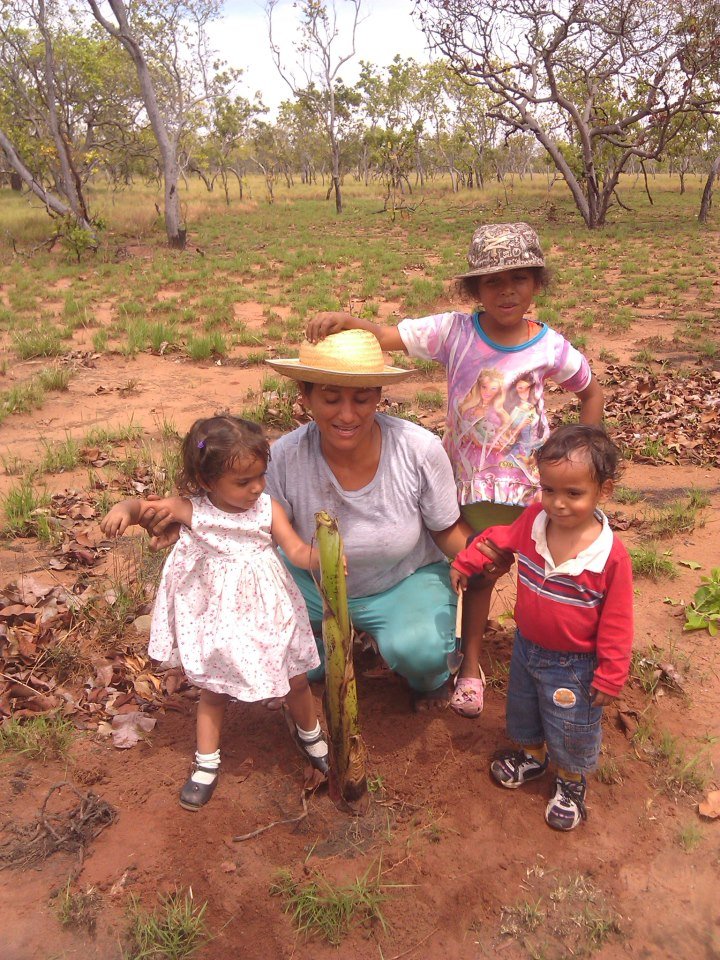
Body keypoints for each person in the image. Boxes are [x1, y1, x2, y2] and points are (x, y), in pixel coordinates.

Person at [305, 222, 604, 719]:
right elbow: (387, 335)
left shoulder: (550, 347)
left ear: (536, 283)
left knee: (547, 572)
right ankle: (468, 665)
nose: (505, 291)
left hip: (530, 490)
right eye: (491, 282)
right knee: (477, 572)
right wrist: (348, 323)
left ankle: (557, 659)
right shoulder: (454, 332)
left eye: (519, 279)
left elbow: (589, 389)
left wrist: (587, 456)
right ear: (474, 289)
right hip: (466, 483)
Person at [100, 415, 329, 812]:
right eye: (243, 481)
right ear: (207, 481)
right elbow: (144, 508)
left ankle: (310, 733)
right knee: (214, 689)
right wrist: (124, 508)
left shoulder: (267, 509)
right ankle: (206, 763)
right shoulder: (191, 509)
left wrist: (326, 554)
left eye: (260, 476)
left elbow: (294, 550)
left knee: (296, 676)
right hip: (218, 616)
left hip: (269, 608)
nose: (256, 487)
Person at [263, 328, 472, 711]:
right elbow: (266, 524)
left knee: (420, 652)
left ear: (378, 395)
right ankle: (322, 654)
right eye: (329, 398)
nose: (347, 415)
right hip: (312, 586)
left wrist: (483, 555)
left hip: (400, 580)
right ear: (305, 397)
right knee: (265, 645)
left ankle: (427, 672)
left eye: (362, 399)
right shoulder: (285, 456)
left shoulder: (417, 450)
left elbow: (445, 530)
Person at [450, 425, 633, 831]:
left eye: (573, 494)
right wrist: (467, 562)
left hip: (576, 664)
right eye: (549, 490)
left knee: (572, 725)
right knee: (525, 708)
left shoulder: (609, 557)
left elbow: (619, 622)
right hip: (527, 647)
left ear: (603, 489)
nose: (558, 504)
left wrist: (611, 673)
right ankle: (532, 756)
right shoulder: (533, 520)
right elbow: (498, 539)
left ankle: (570, 782)